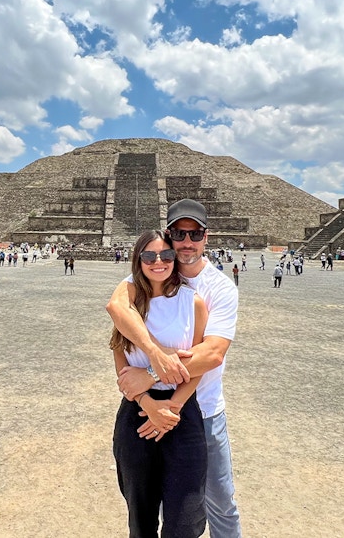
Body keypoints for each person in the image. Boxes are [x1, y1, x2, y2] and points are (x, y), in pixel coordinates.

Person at [106, 199, 242, 537]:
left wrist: (153, 379)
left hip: (202, 409)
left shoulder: (218, 288)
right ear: (169, 235)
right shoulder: (147, 274)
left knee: (216, 502)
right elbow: (116, 311)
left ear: (206, 237)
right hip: (142, 410)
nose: (186, 242)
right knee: (152, 504)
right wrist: (153, 358)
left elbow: (211, 355)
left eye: (194, 233)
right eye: (179, 234)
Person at [109, 229, 208, 537]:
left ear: (174, 259)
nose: (158, 262)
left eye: (166, 255)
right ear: (138, 260)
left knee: (186, 518)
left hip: (181, 410)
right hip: (138, 412)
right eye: (149, 256)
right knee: (140, 516)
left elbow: (198, 365)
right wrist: (148, 404)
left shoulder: (193, 303)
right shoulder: (129, 303)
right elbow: (121, 360)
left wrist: (172, 408)